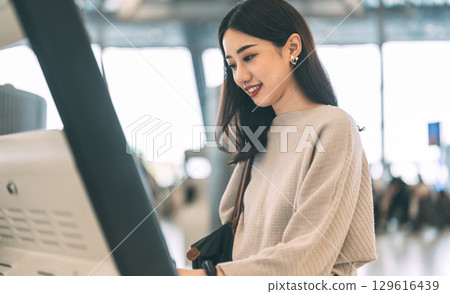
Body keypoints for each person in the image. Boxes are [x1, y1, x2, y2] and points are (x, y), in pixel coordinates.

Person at [179, 0, 376, 276]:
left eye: (249, 57)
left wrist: (210, 277)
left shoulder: (333, 126)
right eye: (232, 64)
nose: (240, 76)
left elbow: (310, 252)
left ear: (292, 48)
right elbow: (237, 230)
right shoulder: (258, 137)